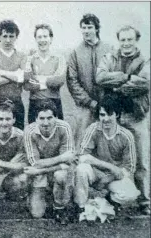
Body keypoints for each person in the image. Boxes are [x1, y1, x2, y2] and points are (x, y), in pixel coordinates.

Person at [96, 25, 150, 215]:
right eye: (123, 40)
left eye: (130, 39)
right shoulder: (110, 57)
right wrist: (127, 77)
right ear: (118, 40)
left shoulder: (145, 59)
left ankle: (145, 201)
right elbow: (100, 77)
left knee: (142, 158)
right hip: (114, 115)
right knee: (111, 155)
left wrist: (117, 88)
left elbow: (145, 83)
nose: (126, 43)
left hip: (136, 115)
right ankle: (112, 197)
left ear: (136, 40)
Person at [74, 96, 140, 218]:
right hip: (96, 172)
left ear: (117, 115)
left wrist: (108, 178)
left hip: (113, 177)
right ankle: (81, 207)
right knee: (81, 169)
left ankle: (110, 200)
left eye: (109, 114)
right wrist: (108, 166)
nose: (105, 119)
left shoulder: (126, 135)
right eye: (102, 115)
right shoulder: (93, 128)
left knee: (131, 194)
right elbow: (82, 156)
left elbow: (129, 168)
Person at [23, 99, 75, 225]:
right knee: (37, 214)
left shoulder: (64, 127)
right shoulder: (29, 131)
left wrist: (44, 167)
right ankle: (40, 194)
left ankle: (59, 207)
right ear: (35, 119)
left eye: (49, 118)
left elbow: (67, 162)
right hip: (41, 173)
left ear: (56, 118)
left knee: (61, 175)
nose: (46, 122)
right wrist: (61, 158)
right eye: (41, 118)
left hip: (56, 170)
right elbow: (35, 163)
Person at [66, 13, 113, 148]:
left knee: (107, 139)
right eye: (83, 27)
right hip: (85, 106)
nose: (86, 31)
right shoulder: (75, 52)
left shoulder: (109, 49)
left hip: (107, 103)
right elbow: (72, 81)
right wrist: (90, 102)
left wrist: (108, 100)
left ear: (97, 29)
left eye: (89, 27)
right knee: (82, 141)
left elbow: (114, 76)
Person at [0, 19, 27, 130]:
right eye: (4, 36)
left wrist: (1, 73)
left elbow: (23, 78)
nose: (8, 40)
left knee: (17, 137)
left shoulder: (22, 56)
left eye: (11, 36)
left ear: (16, 37)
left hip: (16, 102)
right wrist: (15, 76)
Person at [24, 24, 66, 123]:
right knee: (34, 134)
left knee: (55, 135)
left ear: (51, 38)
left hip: (54, 101)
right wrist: (48, 80)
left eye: (45, 36)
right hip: (35, 102)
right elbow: (27, 84)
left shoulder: (59, 58)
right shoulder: (30, 59)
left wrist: (37, 78)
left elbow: (58, 81)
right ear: (35, 39)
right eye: (39, 37)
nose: (42, 40)